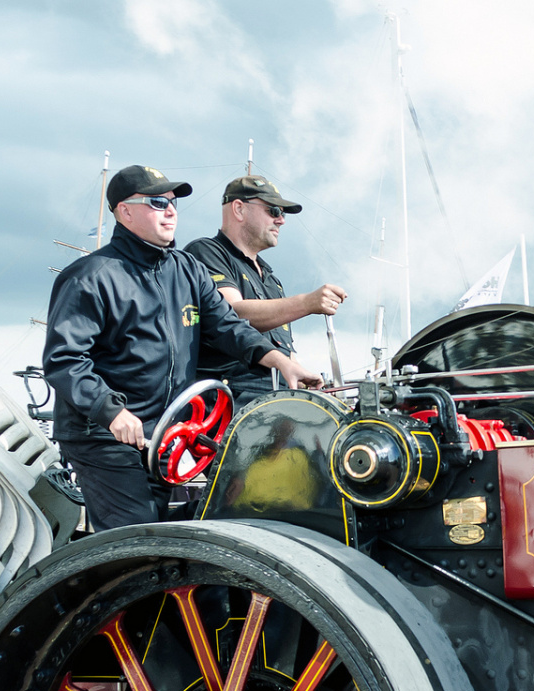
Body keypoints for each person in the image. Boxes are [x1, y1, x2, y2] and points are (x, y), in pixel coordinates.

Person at [43, 164, 322, 531]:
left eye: (173, 202)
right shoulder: (91, 276)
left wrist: (280, 361)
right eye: (158, 202)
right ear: (125, 211)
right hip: (104, 436)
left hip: (165, 435)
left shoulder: (186, 269)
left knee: (196, 531)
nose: (171, 210)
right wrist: (111, 412)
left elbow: (226, 326)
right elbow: (64, 360)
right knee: (136, 542)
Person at [184, 176, 346, 406]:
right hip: (227, 402)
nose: (281, 220)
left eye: (282, 213)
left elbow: (285, 352)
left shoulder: (272, 280)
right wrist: (307, 303)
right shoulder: (206, 252)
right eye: (273, 210)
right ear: (239, 209)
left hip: (273, 406)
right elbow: (230, 314)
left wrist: (306, 381)